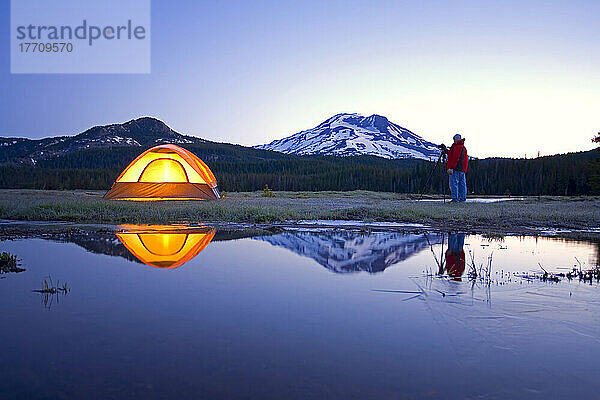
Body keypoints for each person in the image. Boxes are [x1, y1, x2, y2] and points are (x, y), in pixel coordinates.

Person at [446, 134, 468, 202]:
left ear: (456, 139)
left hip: (455, 169)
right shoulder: (463, 147)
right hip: (462, 169)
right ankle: (462, 199)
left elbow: (455, 158)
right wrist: (446, 151)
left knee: (454, 184)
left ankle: (455, 199)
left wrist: (451, 168)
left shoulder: (457, 147)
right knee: (462, 184)